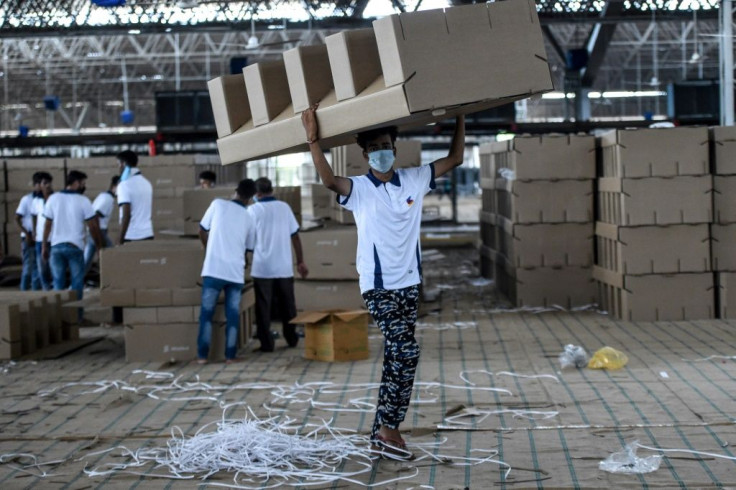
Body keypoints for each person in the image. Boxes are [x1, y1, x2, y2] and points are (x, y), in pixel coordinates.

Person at [302, 104, 465, 460]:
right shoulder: (359, 189)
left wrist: (461, 117)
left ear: (395, 146)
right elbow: (329, 181)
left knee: (397, 355)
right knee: (407, 350)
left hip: (409, 284)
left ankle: (381, 432)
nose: (380, 151)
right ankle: (389, 427)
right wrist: (313, 139)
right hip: (377, 286)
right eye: (373, 147)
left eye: (385, 145)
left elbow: (455, 157)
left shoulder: (415, 179)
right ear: (364, 153)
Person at [197, 179, 257, 364]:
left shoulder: (217, 204)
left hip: (213, 269)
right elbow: (249, 247)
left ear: (235, 191)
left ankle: (202, 357)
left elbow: (202, 229)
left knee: (207, 314)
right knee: (232, 315)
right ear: (250, 198)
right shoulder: (249, 217)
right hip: (235, 273)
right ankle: (230, 356)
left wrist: (210, 250)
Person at [248, 177, 308, 352]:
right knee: (288, 306)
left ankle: (267, 344)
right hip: (284, 267)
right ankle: (291, 339)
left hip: (262, 268)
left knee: (263, 308)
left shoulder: (252, 211)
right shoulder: (285, 208)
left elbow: (249, 242)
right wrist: (300, 261)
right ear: (271, 190)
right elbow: (295, 237)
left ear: (257, 194)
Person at [42, 170, 104, 309]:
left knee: (58, 283)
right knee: (77, 284)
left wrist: (44, 246)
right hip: (75, 247)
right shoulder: (83, 201)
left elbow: (47, 225)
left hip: (56, 247)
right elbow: (93, 227)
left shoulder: (53, 198)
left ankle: (59, 317)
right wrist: (99, 247)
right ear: (76, 182)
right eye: (82, 183)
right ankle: (76, 318)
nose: (84, 186)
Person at [116, 150, 153, 244]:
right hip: (148, 235)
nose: (118, 168)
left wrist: (119, 241)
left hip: (131, 236)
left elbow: (126, 215)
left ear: (123, 164)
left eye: (118, 164)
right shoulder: (147, 183)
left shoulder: (124, 185)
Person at [84, 175, 119, 275]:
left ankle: (77, 282)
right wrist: (99, 237)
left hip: (95, 230)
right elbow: (95, 217)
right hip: (97, 231)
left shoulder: (105, 196)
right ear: (114, 186)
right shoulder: (107, 199)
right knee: (112, 255)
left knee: (88, 259)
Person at [15, 172, 42, 290]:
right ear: (35, 185)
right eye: (42, 184)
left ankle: (35, 293)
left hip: (39, 237)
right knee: (28, 267)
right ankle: (23, 291)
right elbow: (17, 219)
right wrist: (27, 234)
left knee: (37, 268)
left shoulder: (44, 200)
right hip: (29, 237)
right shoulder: (26, 199)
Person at [31, 172, 54, 290]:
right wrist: (34, 231)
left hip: (54, 239)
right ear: (39, 185)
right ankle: (46, 290)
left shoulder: (55, 199)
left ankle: (55, 290)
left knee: (53, 267)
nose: (48, 185)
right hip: (40, 239)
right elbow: (34, 216)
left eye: (49, 182)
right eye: (45, 183)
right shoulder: (36, 201)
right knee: (42, 268)